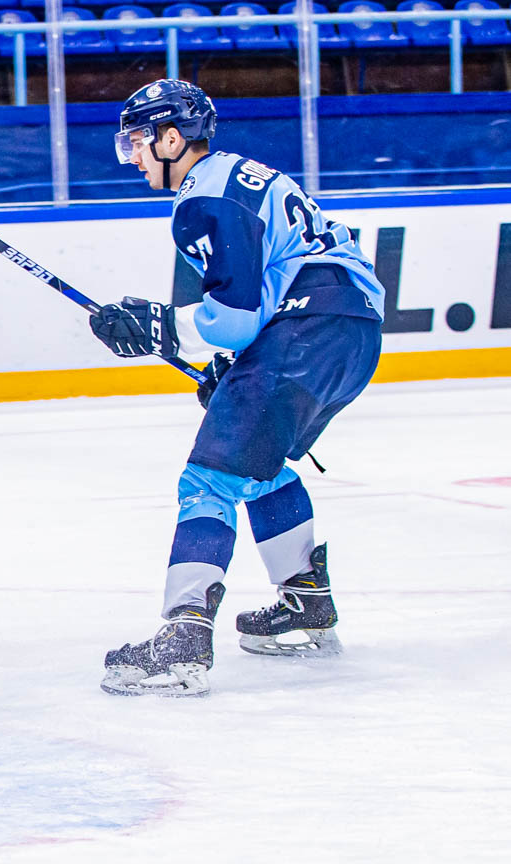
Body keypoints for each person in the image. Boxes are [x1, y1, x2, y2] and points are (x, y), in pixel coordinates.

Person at [89, 79, 384, 698]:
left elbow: (234, 315)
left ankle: (184, 636)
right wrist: (237, 364)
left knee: (210, 479)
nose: (134, 156)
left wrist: (159, 326)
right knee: (262, 466)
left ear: (174, 138)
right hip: (349, 331)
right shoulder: (241, 176)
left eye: (139, 142)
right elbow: (261, 304)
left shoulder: (204, 198)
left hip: (307, 329)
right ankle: (305, 602)